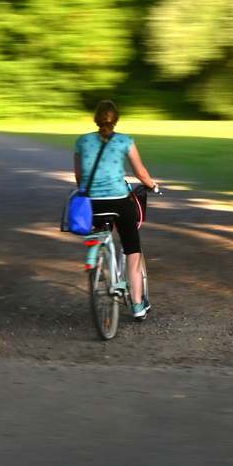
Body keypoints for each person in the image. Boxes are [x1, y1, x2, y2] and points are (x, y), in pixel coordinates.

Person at [74, 100, 157, 320]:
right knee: (132, 247)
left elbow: (79, 178)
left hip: (92, 203)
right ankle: (138, 305)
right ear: (116, 120)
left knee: (100, 230)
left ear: (96, 119)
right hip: (119, 201)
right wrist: (151, 186)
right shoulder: (125, 141)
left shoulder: (82, 141)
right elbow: (140, 173)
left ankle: (100, 262)